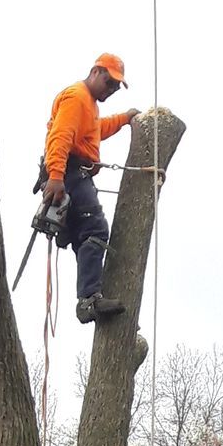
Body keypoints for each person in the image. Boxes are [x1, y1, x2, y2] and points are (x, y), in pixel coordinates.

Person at [41, 54, 139, 324]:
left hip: (73, 173)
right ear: (95, 72)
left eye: (115, 88)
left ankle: (87, 291)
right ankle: (89, 300)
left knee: (86, 236)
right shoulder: (77, 97)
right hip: (70, 172)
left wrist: (124, 118)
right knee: (95, 230)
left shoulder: (89, 103)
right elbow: (60, 136)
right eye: (109, 83)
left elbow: (95, 130)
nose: (111, 90)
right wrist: (56, 176)